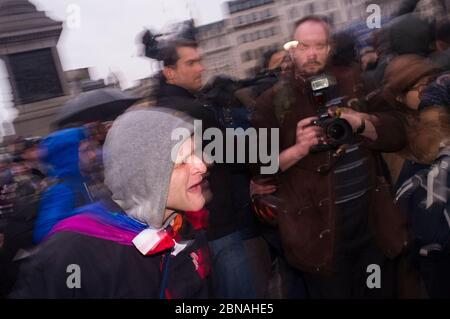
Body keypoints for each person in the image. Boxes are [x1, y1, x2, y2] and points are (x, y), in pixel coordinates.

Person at [251, 15, 408, 298]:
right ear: (292, 49)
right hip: (318, 240)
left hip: (372, 228)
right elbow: (260, 170)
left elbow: (398, 132)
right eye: (303, 46)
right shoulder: (270, 103)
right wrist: (297, 150)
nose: (311, 54)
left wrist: (363, 122)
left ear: (329, 48)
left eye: (319, 46)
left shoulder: (355, 83)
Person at [10, 109, 210, 298]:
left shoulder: (187, 230)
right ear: (142, 175)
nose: (202, 166)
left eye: (196, 154)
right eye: (182, 161)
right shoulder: (71, 255)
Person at [147, 37, 256, 298]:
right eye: (192, 63)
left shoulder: (156, 110)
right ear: (169, 72)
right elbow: (238, 156)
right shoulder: (194, 111)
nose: (201, 68)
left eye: (200, 61)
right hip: (217, 225)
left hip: (184, 230)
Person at [32, 127, 97, 244]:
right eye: (85, 150)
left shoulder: (81, 182)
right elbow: (44, 234)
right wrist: (89, 216)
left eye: (92, 148)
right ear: (68, 156)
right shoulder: (61, 190)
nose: (93, 155)